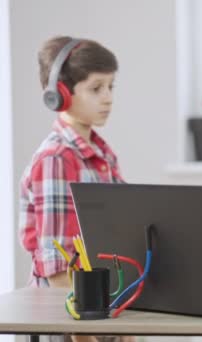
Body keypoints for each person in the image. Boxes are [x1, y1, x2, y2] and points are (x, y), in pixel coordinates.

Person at [18, 36, 127, 342]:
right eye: (96, 88)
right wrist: (83, 334)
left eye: (111, 86)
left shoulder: (102, 156)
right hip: (67, 322)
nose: (108, 98)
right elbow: (57, 270)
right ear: (61, 95)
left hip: (100, 316)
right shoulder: (56, 160)